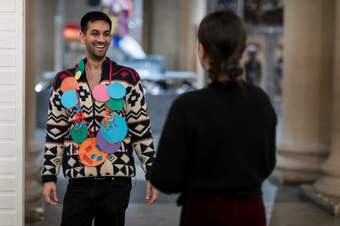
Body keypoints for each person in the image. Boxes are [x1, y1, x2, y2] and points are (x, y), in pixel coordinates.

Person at [150, 9, 277, 226]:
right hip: (251, 213)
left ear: (201, 51)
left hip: (204, 212)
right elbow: (268, 164)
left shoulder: (187, 106)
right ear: (242, 51)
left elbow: (166, 178)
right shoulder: (261, 101)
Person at [41, 11, 159, 226]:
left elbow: (140, 129)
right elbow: (54, 132)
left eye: (106, 34)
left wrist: (151, 173)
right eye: (95, 33)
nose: (101, 39)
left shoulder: (128, 77)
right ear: (82, 36)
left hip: (117, 181)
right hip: (78, 180)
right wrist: (49, 176)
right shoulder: (64, 80)